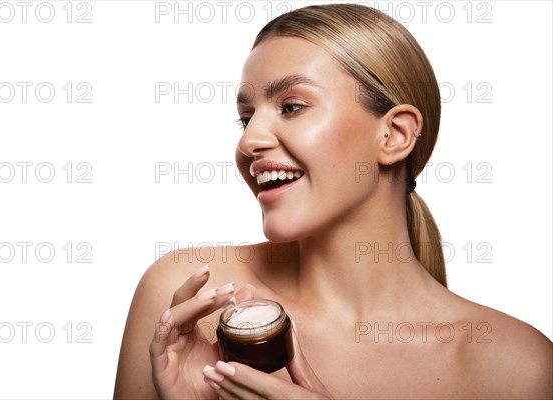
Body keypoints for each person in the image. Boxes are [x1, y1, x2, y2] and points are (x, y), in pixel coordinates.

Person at [114, 4, 552, 399]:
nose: (249, 141)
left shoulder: (516, 368)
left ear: (394, 135)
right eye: (245, 118)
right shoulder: (188, 303)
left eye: (291, 106)